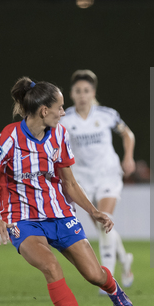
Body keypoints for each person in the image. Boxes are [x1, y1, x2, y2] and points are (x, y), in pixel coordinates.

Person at [0, 77, 134, 306]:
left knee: (94, 275)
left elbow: (69, 183)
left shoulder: (59, 134)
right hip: (23, 220)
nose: (63, 112)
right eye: (59, 107)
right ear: (44, 110)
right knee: (51, 267)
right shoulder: (9, 137)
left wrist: (93, 211)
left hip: (60, 215)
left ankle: (114, 289)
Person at [59, 70, 135, 292]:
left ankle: (107, 277)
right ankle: (125, 259)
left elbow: (127, 134)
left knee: (105, 221)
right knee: (104, 227)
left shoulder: (107, 114)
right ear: (72, 94)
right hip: (81, 179)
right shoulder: (65, 119)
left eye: (86, 91)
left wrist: (128, 157)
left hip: (108, 173)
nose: (82, 95)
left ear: (93, 93)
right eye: (78, 91)